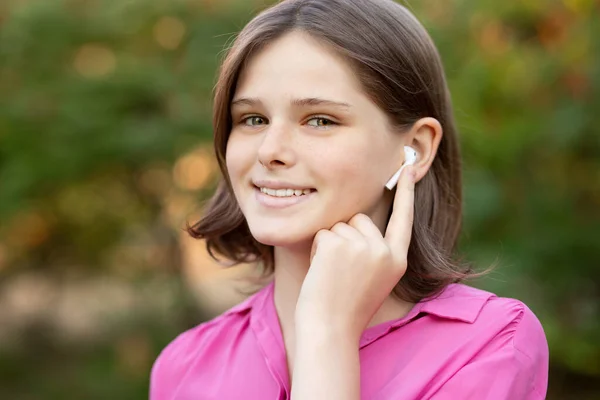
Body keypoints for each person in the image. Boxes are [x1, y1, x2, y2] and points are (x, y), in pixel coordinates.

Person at [150, 0, 549, 398]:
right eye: (253, 119)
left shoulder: (489, 344)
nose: (269, 150)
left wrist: (328, 332)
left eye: (320, 120)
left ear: (415, 148)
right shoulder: (184, 367)